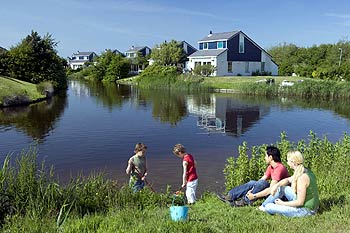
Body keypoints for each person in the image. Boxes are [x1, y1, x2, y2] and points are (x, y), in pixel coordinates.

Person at [217, 145, 289, 207]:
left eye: (265, 156)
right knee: (253, 182)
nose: (264, 158)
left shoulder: (279, 168)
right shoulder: (271, 167)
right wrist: (252, 189)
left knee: (262, 183)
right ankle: (230, 196)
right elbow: (262, 180)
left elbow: (271, 189)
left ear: (270, 157)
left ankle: (244, 201)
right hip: (274, 192)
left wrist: (254, 196)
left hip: (281, 196)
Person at [259, 151, 319, 217]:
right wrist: (276, 186)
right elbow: (287, 180)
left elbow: (300, 202)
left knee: (269, 206)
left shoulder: (302, 178)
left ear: (293, 162)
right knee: (282, 188)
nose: (287, 163)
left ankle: (266, 207)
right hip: (307, 206)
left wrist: (282, 203)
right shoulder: (305, 171)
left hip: (306, 210)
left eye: (288, 161)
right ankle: (262, 206)